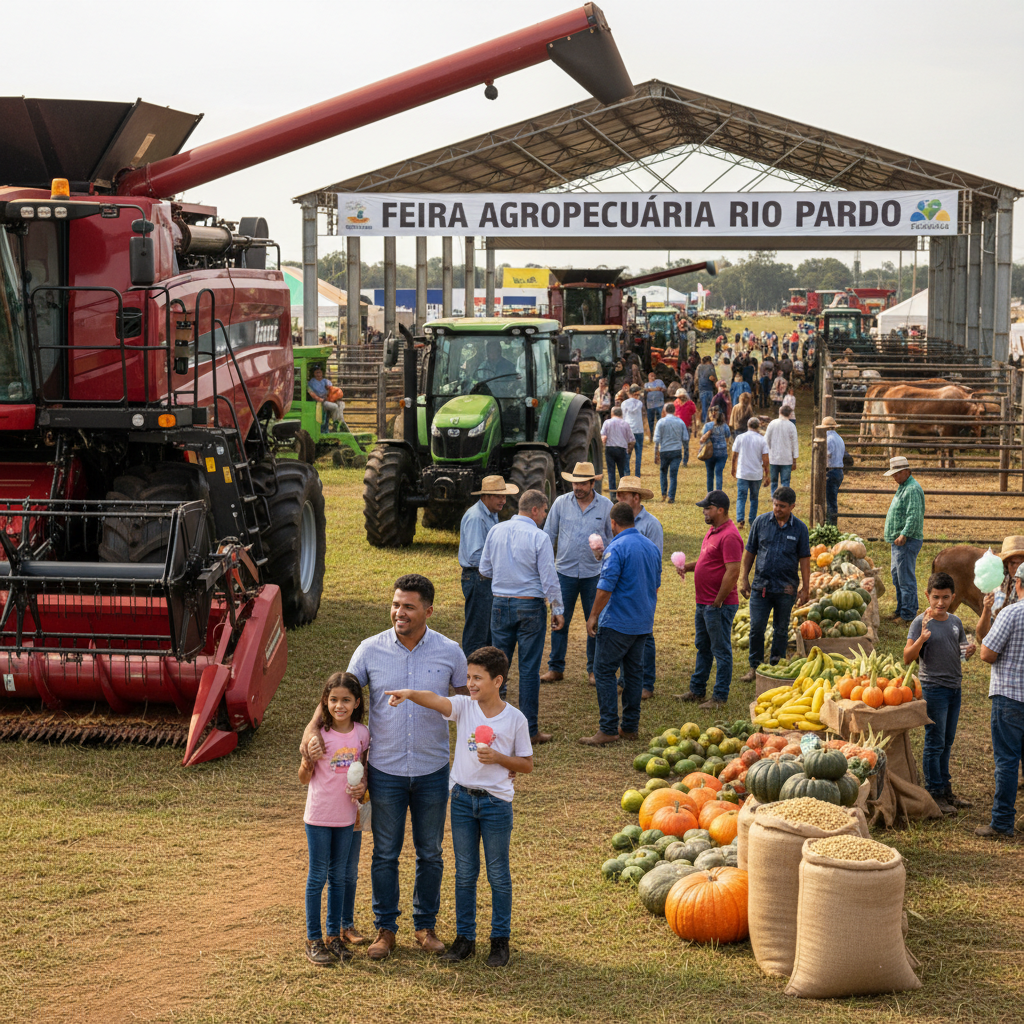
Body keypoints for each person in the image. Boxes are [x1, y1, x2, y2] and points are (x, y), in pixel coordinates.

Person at [299, 575, 467, 961]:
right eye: (395, 604)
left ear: (428, 610)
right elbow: (335, 695)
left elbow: (470, 702)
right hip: (385, 771)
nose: (398, 612)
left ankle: (425, 927)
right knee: (385, 853)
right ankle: (386, 930)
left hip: (431, 770)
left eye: (408, 606)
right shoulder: (369, 650)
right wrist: (310, 735)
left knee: (431, 853)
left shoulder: (450, 652)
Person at [385, 646, 532, 966]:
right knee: (465, 873)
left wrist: (499, 759)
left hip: (496, 805)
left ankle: (499, 940)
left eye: (477, 678)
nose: (470, 683)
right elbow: (435, 699)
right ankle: (465, 939)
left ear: (497, 680)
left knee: (498, 874)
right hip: (463, 801)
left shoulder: (515, 719)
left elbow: (526, 764)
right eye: (468, 677)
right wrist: (409, 693)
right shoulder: (465, 707)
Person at [480, 489, 565, 744]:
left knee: (497, 669)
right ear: (536, 510)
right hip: (529, 606)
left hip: (500, 604)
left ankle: (494, 726)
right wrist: (558, 609)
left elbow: (484, 568)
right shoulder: (539, 537)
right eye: (545, 511)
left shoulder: (496, 530)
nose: (545, 516)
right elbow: (549, 578)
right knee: (528, 670)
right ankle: (529, 731)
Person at [299, 672, 370, 966]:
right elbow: (304, 779)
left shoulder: (362, 734)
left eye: (345, 700)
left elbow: (363, 773)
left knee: (339, 876)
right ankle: (313, 939)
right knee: (318, 877)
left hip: (346, 817)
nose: (339, 705)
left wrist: (362, 787)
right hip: (318, 816)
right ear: (325, 702)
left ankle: (333, 937)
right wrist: (308, 760)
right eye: (333, 699)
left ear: (356, 703)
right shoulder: (318, 736)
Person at [582, 502, 662, 744]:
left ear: (613, 523)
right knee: (634, 674)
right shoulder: (650, 547)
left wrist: (593, 614)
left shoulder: (616, 548)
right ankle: (629, 727)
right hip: (642, 622)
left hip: (618, 621)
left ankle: (607, 728)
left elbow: (606, 586)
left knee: (604, 671)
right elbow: (655, 583)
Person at [904, 572, 975, 816]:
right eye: (936, 597)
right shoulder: (920, 622)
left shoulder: (955, 622)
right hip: (934, 690)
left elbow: (963, 652)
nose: (940, 603)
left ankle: (945, 790)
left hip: (955, 688)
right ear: (927, 595)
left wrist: (971, 649)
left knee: (947, 741)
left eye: (946, 598)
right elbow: (907, 657)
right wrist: (921, 639)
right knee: (934, 743)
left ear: (953, 597)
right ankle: (933, 794)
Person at [541, 462, 613, 686]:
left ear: (593, 483)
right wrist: (546, 568)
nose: (578, 487)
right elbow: (548, 535)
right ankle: (556, 667)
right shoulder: (561, 503)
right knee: (559, 619)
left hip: (594, 574)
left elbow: (613, 540)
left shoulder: (606, 506)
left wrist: (603, 552)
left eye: (583, 483)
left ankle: (594, 670)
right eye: (575, 482)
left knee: (595, 622)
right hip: (564, 572)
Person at [676, 491, 743, 708]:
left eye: (707, 508)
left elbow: (733, 571)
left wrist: (718, 601)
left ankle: (719, 697)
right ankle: (697, 690)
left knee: (721, 651)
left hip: (718, 605)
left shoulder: (730, 536)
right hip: (703, 602)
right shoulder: (713, 531)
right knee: (703, 647)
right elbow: (708, 561)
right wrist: (688, 567)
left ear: (720, 510)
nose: (704, 512)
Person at [740, 486, 811, 680]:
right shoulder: (760, 522)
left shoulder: (800, 529)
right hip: (761, 586)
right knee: (756, 628)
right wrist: (744, 578)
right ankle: (755, 666)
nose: (777, 509)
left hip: (786, 589)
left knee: (781, 629)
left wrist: (806, 587)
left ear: (792, 507)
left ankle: (775, 665)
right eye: (775, 504)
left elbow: (805, 559)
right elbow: (750, 552)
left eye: (782, 506)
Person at [976, 562, 1024, 838]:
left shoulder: (1010, 614)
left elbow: (987, 653)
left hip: (1010, 696)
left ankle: (1003, 822)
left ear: (1017, 583)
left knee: (1007, 761)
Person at [614, 476, 663, 699]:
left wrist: (652, 590)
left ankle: (647, 684)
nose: (618, 499)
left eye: (622, 496)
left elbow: (656, 562)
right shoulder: (618, 520)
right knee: (624, 635)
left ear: (636, 497)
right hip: (622, 588)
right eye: (617, 495)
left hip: (643, 589)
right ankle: (625, 680)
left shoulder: (651, 525)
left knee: (646, 637)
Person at [459, 476, 518, 655]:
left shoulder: (489, 514)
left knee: (486, 630)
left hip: (483, 578)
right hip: (479, 577)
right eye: (499, 496)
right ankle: (471, 673)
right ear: (486, 496)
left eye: (504, 496)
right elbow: (475, 555)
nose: (504, 500)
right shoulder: (477, 518)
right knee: (478, 631)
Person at [883, 455, 926, 625]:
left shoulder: (912, 489)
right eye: (893, 474)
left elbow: (913, 515)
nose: (894, 477)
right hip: (900, 541)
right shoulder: (905, 486)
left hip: (906, 540)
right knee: (898, 576)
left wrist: (904, 534)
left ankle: (908, 614)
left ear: (907, 472)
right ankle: (902, 609)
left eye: (897, 474)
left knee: (905, 577)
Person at [975, 536, 1024, 642]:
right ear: (1006, 564)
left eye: (1021, 563)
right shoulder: (998, 588)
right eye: (1012, 563)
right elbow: (982, 637)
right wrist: (986, 609)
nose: (1017, 568)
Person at [731, 416, 770, 529]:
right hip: (756, 474)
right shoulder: (762, 440)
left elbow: (734, 454)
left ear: (748, 426)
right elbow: (766, 460)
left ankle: (740, 519)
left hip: (742, 472)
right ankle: (752, 520)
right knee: (754, 498)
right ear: (758, 426)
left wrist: (733, 467)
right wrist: (767, 474)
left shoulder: (740, 437)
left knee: (741, 496)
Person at [653, 403, 687, 503]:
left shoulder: (661, 422)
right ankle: (671, 496)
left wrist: (656, 454)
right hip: (676, 451)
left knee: (663, 472)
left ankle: (664, 493)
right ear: (674, 411)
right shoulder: (680, 422)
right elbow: (685, 438)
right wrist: (686, 453)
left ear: (665, 410)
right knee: (673, 474)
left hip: (664, 451)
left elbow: (657, 439)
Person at [764, 405, 799, 495]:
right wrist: (794, 459)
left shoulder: (772, 423)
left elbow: (766, 440)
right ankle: (784, 498)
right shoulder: (791, 426)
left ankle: (774, 498)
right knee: (785, 482)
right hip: (786, 459)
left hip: (773, 457)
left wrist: (766, 453)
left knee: (774, 481)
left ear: (780, 412)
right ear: (790, 414)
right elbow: (794, 443)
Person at [601, 406, 634, 493]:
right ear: (621, 414)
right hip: (622, 449)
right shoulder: (625, 424)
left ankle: (612, 495)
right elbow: (632, 440)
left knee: (611, 473)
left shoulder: (607, 422)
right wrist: (629, 450)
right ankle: (624, 493)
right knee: (622, 473)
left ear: (612, 414)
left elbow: (603, 437)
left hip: (610, 449)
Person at [699, 406, 731, 493]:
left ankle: (709, 493)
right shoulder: (725, 426)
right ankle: (719, 493)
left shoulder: (707, 426)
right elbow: (727, 439)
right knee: (719, 474)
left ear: (710, 415)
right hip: (722, 453)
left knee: (710, 474)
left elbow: (702, 440)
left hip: (709, 453)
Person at [822, 416, 845, 526]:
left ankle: (831, 525)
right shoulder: (839, 438)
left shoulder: (828, 439)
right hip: (839, 470)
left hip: (831, 470)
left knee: (830, 501)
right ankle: (831, 523)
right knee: (832, 498)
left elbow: (828, 454)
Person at [622, 384, 646, 472]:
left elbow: (624, 416)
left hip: (628, 429)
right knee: (638, 453)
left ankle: (626, 471)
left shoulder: (624, 403)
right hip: (639, 429)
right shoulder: (639, 403)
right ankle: (637, 473)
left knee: (627, 452)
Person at [696, 355, 717, 420]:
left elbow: (696, 378)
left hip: (701, 388)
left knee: (704, 407)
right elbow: (713, 378)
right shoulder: (710, 367)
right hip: (709, 388)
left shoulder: (699, 367)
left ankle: (704, 420)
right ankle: (710, 419)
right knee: (711, 406)